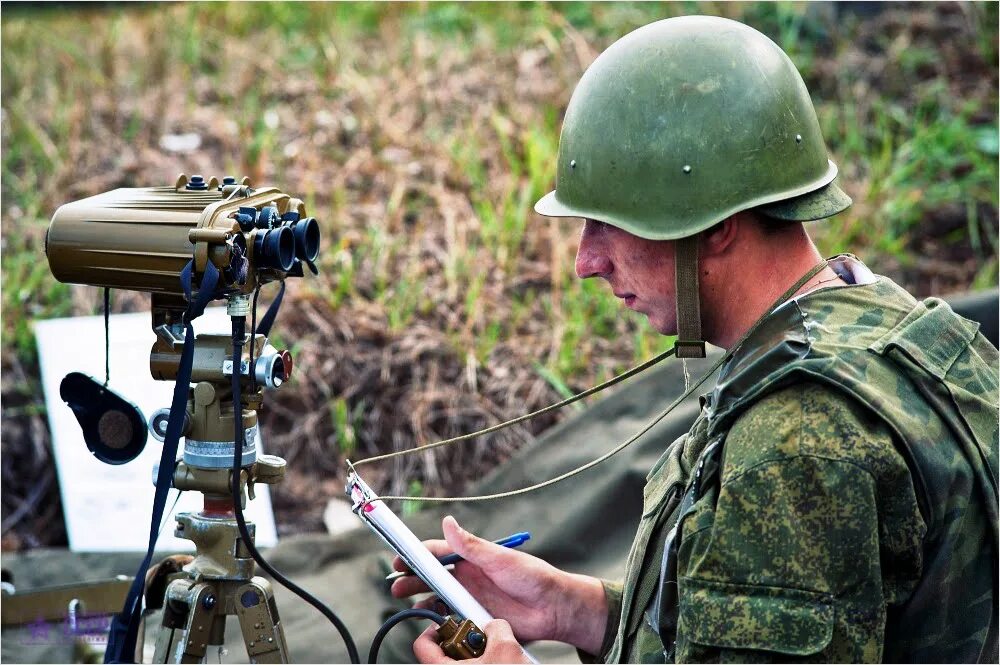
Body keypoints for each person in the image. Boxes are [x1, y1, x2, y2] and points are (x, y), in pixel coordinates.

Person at [392, 15, 999, 664]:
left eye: (610, 224)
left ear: (715, 227)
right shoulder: (900, 326)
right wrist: (574, 608)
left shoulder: (796, 450)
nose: (586, 262)